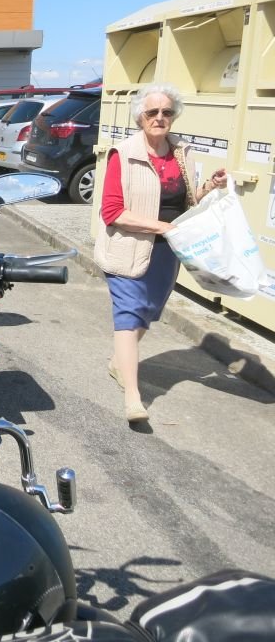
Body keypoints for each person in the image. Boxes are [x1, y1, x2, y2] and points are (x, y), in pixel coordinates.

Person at [93, 83, 227, 424]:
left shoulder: (181, 152)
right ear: (140, 116)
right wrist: (160, 226)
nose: (159, 117)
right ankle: (133, 397)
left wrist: (209, 187)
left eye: (167, 112)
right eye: (152, 112)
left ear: (174, 116)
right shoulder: (123, 154)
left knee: (147, 313)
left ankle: (119, 362)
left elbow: (186, 202)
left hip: (167, 252)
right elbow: (112, 212)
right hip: (128, 247)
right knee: (129, 314)